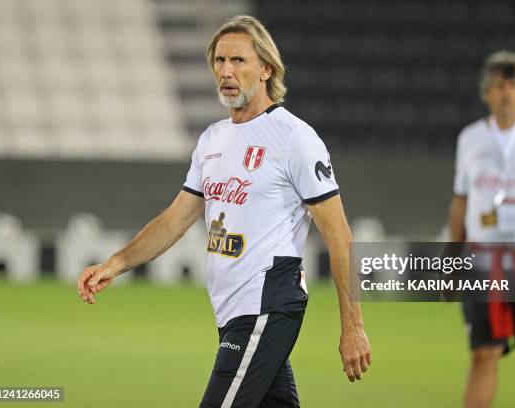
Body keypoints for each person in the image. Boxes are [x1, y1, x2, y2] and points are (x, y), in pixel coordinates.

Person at [77, 15, 371, 408]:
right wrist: (116, 263)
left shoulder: (295, 138)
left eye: (238, 61)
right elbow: (176, 219)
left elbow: (340, 236)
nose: (225, 71)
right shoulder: (212, 139)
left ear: (266, 68)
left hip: (266, 306)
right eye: (219, 61)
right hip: (231, 312)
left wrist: (352, 326)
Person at [449, 50, 515, 408]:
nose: (506, 93)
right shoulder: (470, 138)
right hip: (484, 261)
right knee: (483, 354)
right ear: (486, 92)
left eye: (514, 85)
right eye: (499, 86)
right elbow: (460, 200)